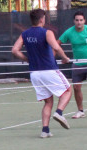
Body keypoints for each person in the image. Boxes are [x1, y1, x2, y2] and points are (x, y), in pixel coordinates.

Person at [11, 8, 73, 137]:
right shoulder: (47, 32)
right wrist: (65, 58)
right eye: (44, 18)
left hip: (35, 73)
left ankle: (45, 130)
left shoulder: (25, 34)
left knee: (48, 101)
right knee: (67, 91)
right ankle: (59, 113)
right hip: (49, 70)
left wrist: (27, 59)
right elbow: (56, 46)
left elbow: (15, 50)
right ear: (41, 19)